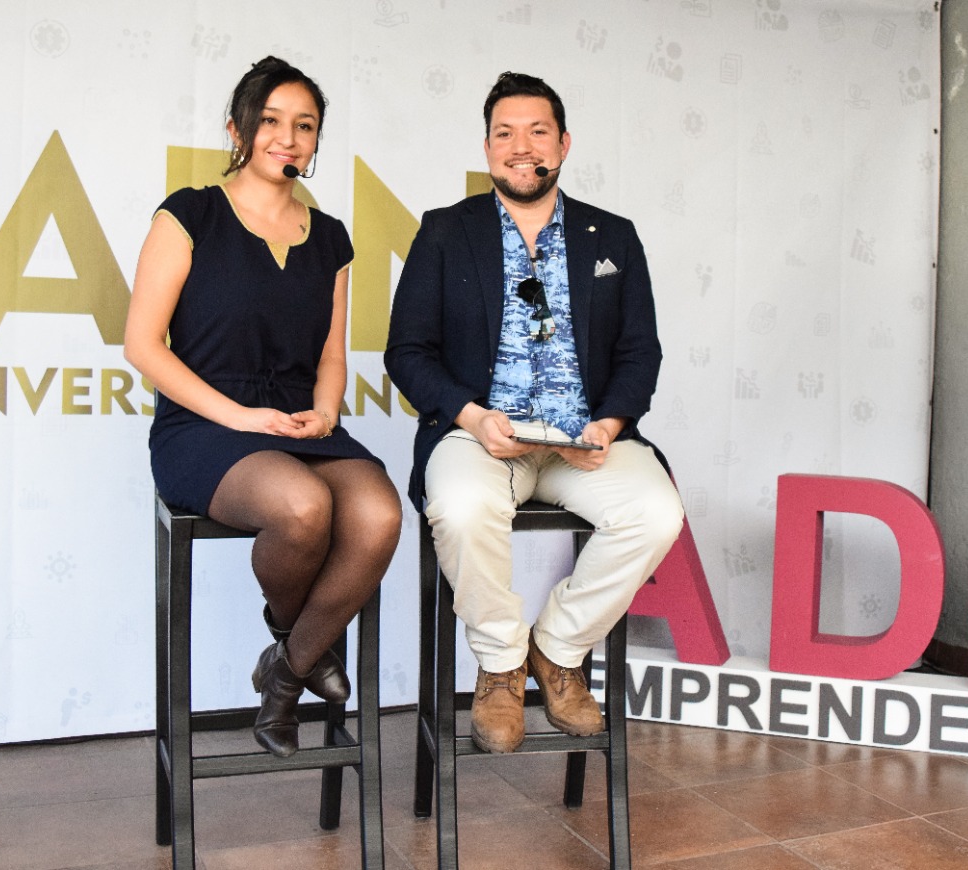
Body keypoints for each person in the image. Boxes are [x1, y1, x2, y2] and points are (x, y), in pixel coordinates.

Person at [385, 71, 684, 754]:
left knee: (656, 513)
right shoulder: (445, 232)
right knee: (460, 506)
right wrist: (471, 417)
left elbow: (640, 352)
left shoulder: (613, 236)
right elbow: (408, 352)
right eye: (505, 133)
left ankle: (557, 649)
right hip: (482, 436)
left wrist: (607, 425)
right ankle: (499, 665)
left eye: (538, 131)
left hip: (585, 443)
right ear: (487, 148)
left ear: (564, 144)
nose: (522, 147)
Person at [124, 56, 401, 758]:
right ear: (237, 130)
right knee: (303, 507)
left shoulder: (331, 238)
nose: (288, 137)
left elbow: (331, 355)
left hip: (298, 421)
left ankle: (285, 671)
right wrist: (240, 418)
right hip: (204, 426)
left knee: (378, 514)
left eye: (305, 125)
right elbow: (142, 345)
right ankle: (301, 643)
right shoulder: (189, 214)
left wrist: (327, 410)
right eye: (272, 121)